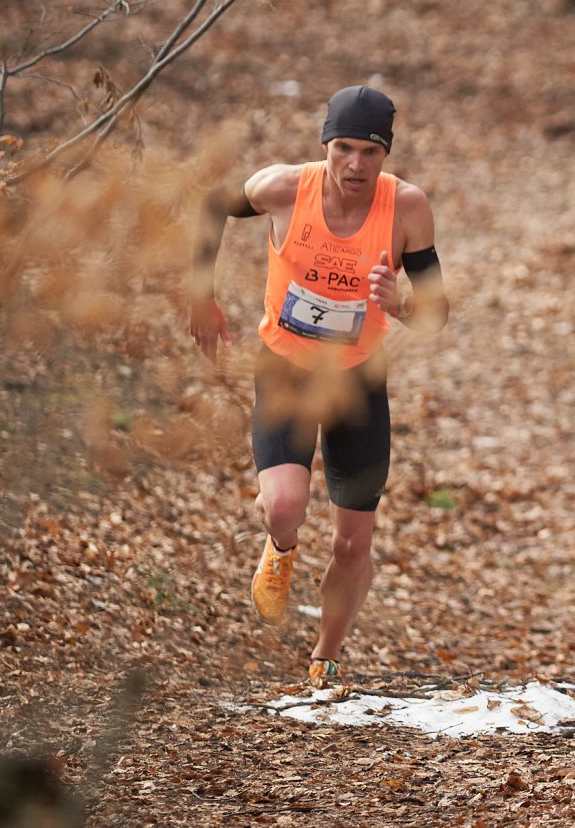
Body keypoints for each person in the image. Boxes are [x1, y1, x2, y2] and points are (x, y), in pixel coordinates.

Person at [187, 85, 448, 683]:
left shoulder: (406, 209)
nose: (355, 165)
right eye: (345, 149)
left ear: (386, 155)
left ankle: (324, 659)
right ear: (325, 144)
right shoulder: (284, 188)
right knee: (283, 507)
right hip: (286, 369)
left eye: (370, 153)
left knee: (353, 543)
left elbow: (435, 314)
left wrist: (400, 305)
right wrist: (200, 293)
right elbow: (212, 203)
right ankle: (279, 553)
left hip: (358, 381)